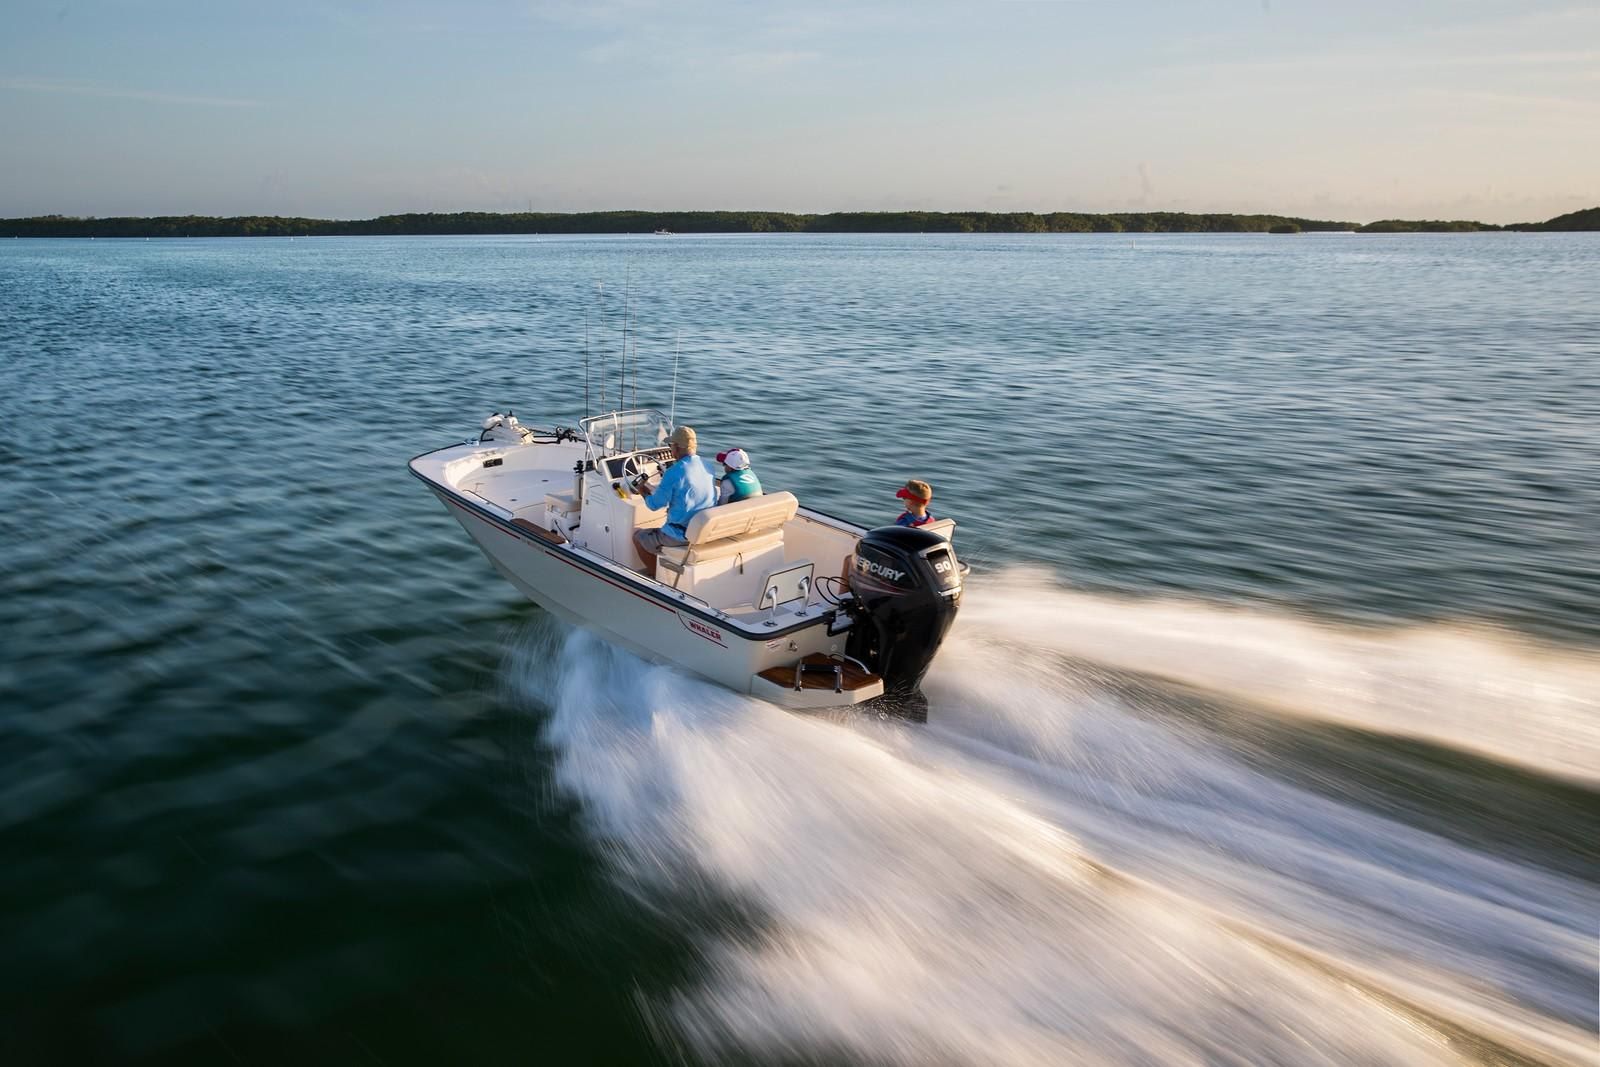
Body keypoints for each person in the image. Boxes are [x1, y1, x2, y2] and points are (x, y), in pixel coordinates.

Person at [632, 425, 716, 578]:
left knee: (639, 537)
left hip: (681, 535)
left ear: (676, 447)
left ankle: (656, 576)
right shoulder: (708, 466)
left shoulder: (673, 472)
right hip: (703, 530)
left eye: (671, 446)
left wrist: (641, 489)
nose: (671, 450)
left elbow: (653, 505)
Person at [840, 479, 936, 592]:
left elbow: (890, 542)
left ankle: (840, 598)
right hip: (912, 565)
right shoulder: (931, 521)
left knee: (849, 560)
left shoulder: (904, 523)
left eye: (904, 498)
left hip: (893, 564)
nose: (903, 501)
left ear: (909, 502)